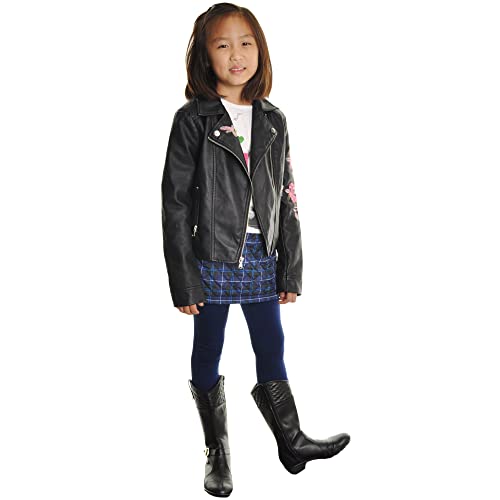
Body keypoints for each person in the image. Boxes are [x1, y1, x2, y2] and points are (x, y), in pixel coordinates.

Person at [161, 3, 350, 497]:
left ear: (260, 50)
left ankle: (292, 441)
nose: (236, 54)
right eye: (222, 45)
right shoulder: (193, 119)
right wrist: (184, 278)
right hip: (211, 257)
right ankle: (217, 452)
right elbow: (175, 203)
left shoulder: (273, 119)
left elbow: (287, 197)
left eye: (246, 43)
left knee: (271, 345)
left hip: (262, 255)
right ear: (205, 56)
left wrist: (291, 269)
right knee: (209, 347)